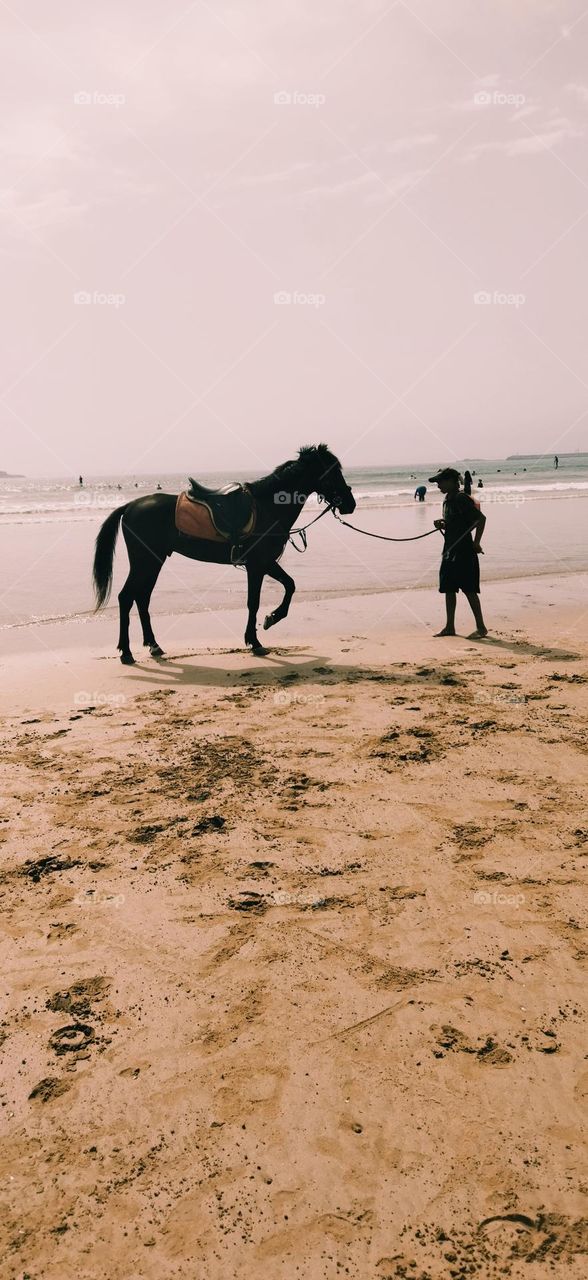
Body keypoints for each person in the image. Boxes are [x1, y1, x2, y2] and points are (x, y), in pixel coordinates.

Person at [429, 467, 488, 638]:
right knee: (448, 588)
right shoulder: (448, 499)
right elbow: (456, 522)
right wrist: (443, 523)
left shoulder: (461, 498)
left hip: (464, 551)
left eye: (440, 481)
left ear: (451, 481)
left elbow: (480, 519)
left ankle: (481, 628)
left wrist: (476, 543)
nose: (438, 485)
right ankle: (449, 627)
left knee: (469, 590)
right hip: (449, 550)